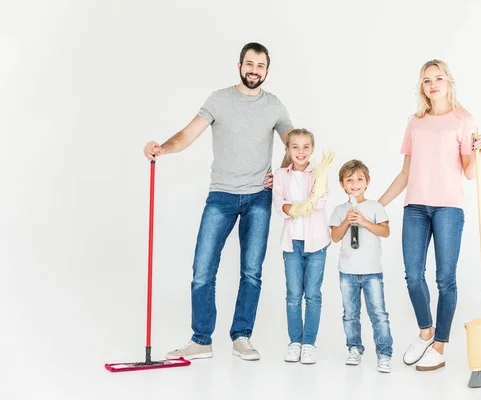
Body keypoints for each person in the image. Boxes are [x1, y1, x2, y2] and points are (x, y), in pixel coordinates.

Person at [143, 42, 294, 361]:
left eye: (260, 66)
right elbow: (187, 134)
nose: (254, 70)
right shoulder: (219, 99)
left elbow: (295, 144)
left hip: (258, 197)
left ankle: (242, 336)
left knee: (252, 271)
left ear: (267, 71)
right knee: (202, 268)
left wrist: (280, 174)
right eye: (249, 64)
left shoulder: (274, 105)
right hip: (221, 195)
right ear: (239, 65)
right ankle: (201, 340)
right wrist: (164, 148)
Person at [379, 59, 481, 371]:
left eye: (438, 78)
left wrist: (479, 154)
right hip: (415, 208)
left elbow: (468, 172)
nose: (433, 84)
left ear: (448, 81)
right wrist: (377, 204)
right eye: (427, 80)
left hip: (448, 209)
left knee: (445, 279)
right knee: (413, 276)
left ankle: (439, 345)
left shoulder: (464, 120)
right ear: (422, 87)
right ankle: (425, 332)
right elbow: (405, 174)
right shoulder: (416, 122)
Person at [272, 129, 335, 364]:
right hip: (292, 244)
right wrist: (295, 208)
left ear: (312, 149)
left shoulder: (319, 172)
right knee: (293, 295)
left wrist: (310, 202)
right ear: (288, 149)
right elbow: (280, 203)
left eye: (306, 147)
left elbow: (321, 201)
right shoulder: (280, 174)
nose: (300, 151)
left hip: (317, 242)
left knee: (313, 295)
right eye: (295, 147)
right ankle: (294, 342)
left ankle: (309, 343)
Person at [330, 160, 393, 373]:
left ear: (367, 182)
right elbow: (335, 237)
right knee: (350, 313)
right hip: (347, 272)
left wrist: (364, 221)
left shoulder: (376, 207)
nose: (355, 184)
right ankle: (354, 348)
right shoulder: (340, 210)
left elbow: (385, 232)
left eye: (359, 179)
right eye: (349, 180)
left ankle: (384, 354)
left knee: (378, 314)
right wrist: (347, 221)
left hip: (372, 271)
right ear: (342, 184)